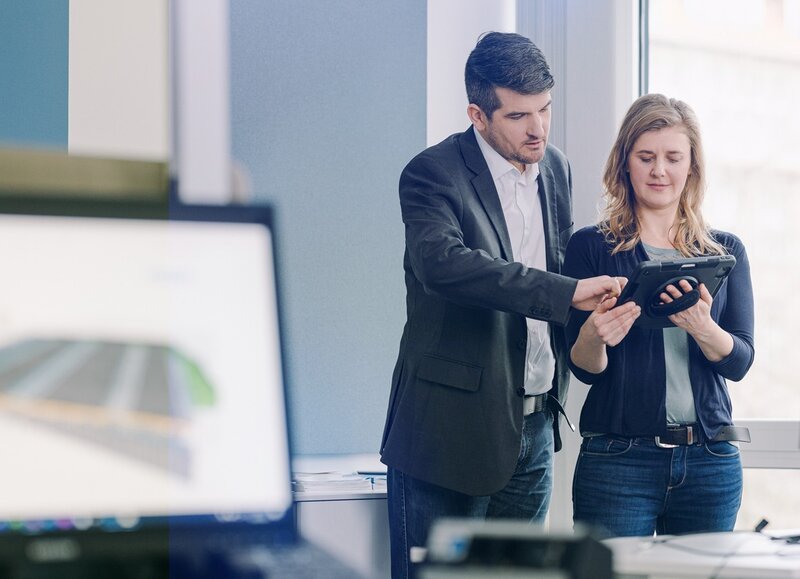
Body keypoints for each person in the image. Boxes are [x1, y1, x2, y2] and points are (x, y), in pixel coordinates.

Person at [379, 31, 622, 578]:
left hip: (534, 424)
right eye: (518, 116)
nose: (538, 128)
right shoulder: (431, 173)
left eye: (545, 109)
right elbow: (445, 266)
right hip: (450, 429)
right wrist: (564, 293)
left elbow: (558, 261)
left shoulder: (555, 168)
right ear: (478, 114)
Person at [564, 93, 755, 538]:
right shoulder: (591, 247)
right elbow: (583, 368)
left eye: (673, 157)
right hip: (618, 461)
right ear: (625, 163)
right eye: (646, 157)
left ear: (691, 167)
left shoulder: (725, 251)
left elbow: (740, 361)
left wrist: (703, 328)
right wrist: (595, 335)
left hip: (711, 462)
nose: (659, 171)